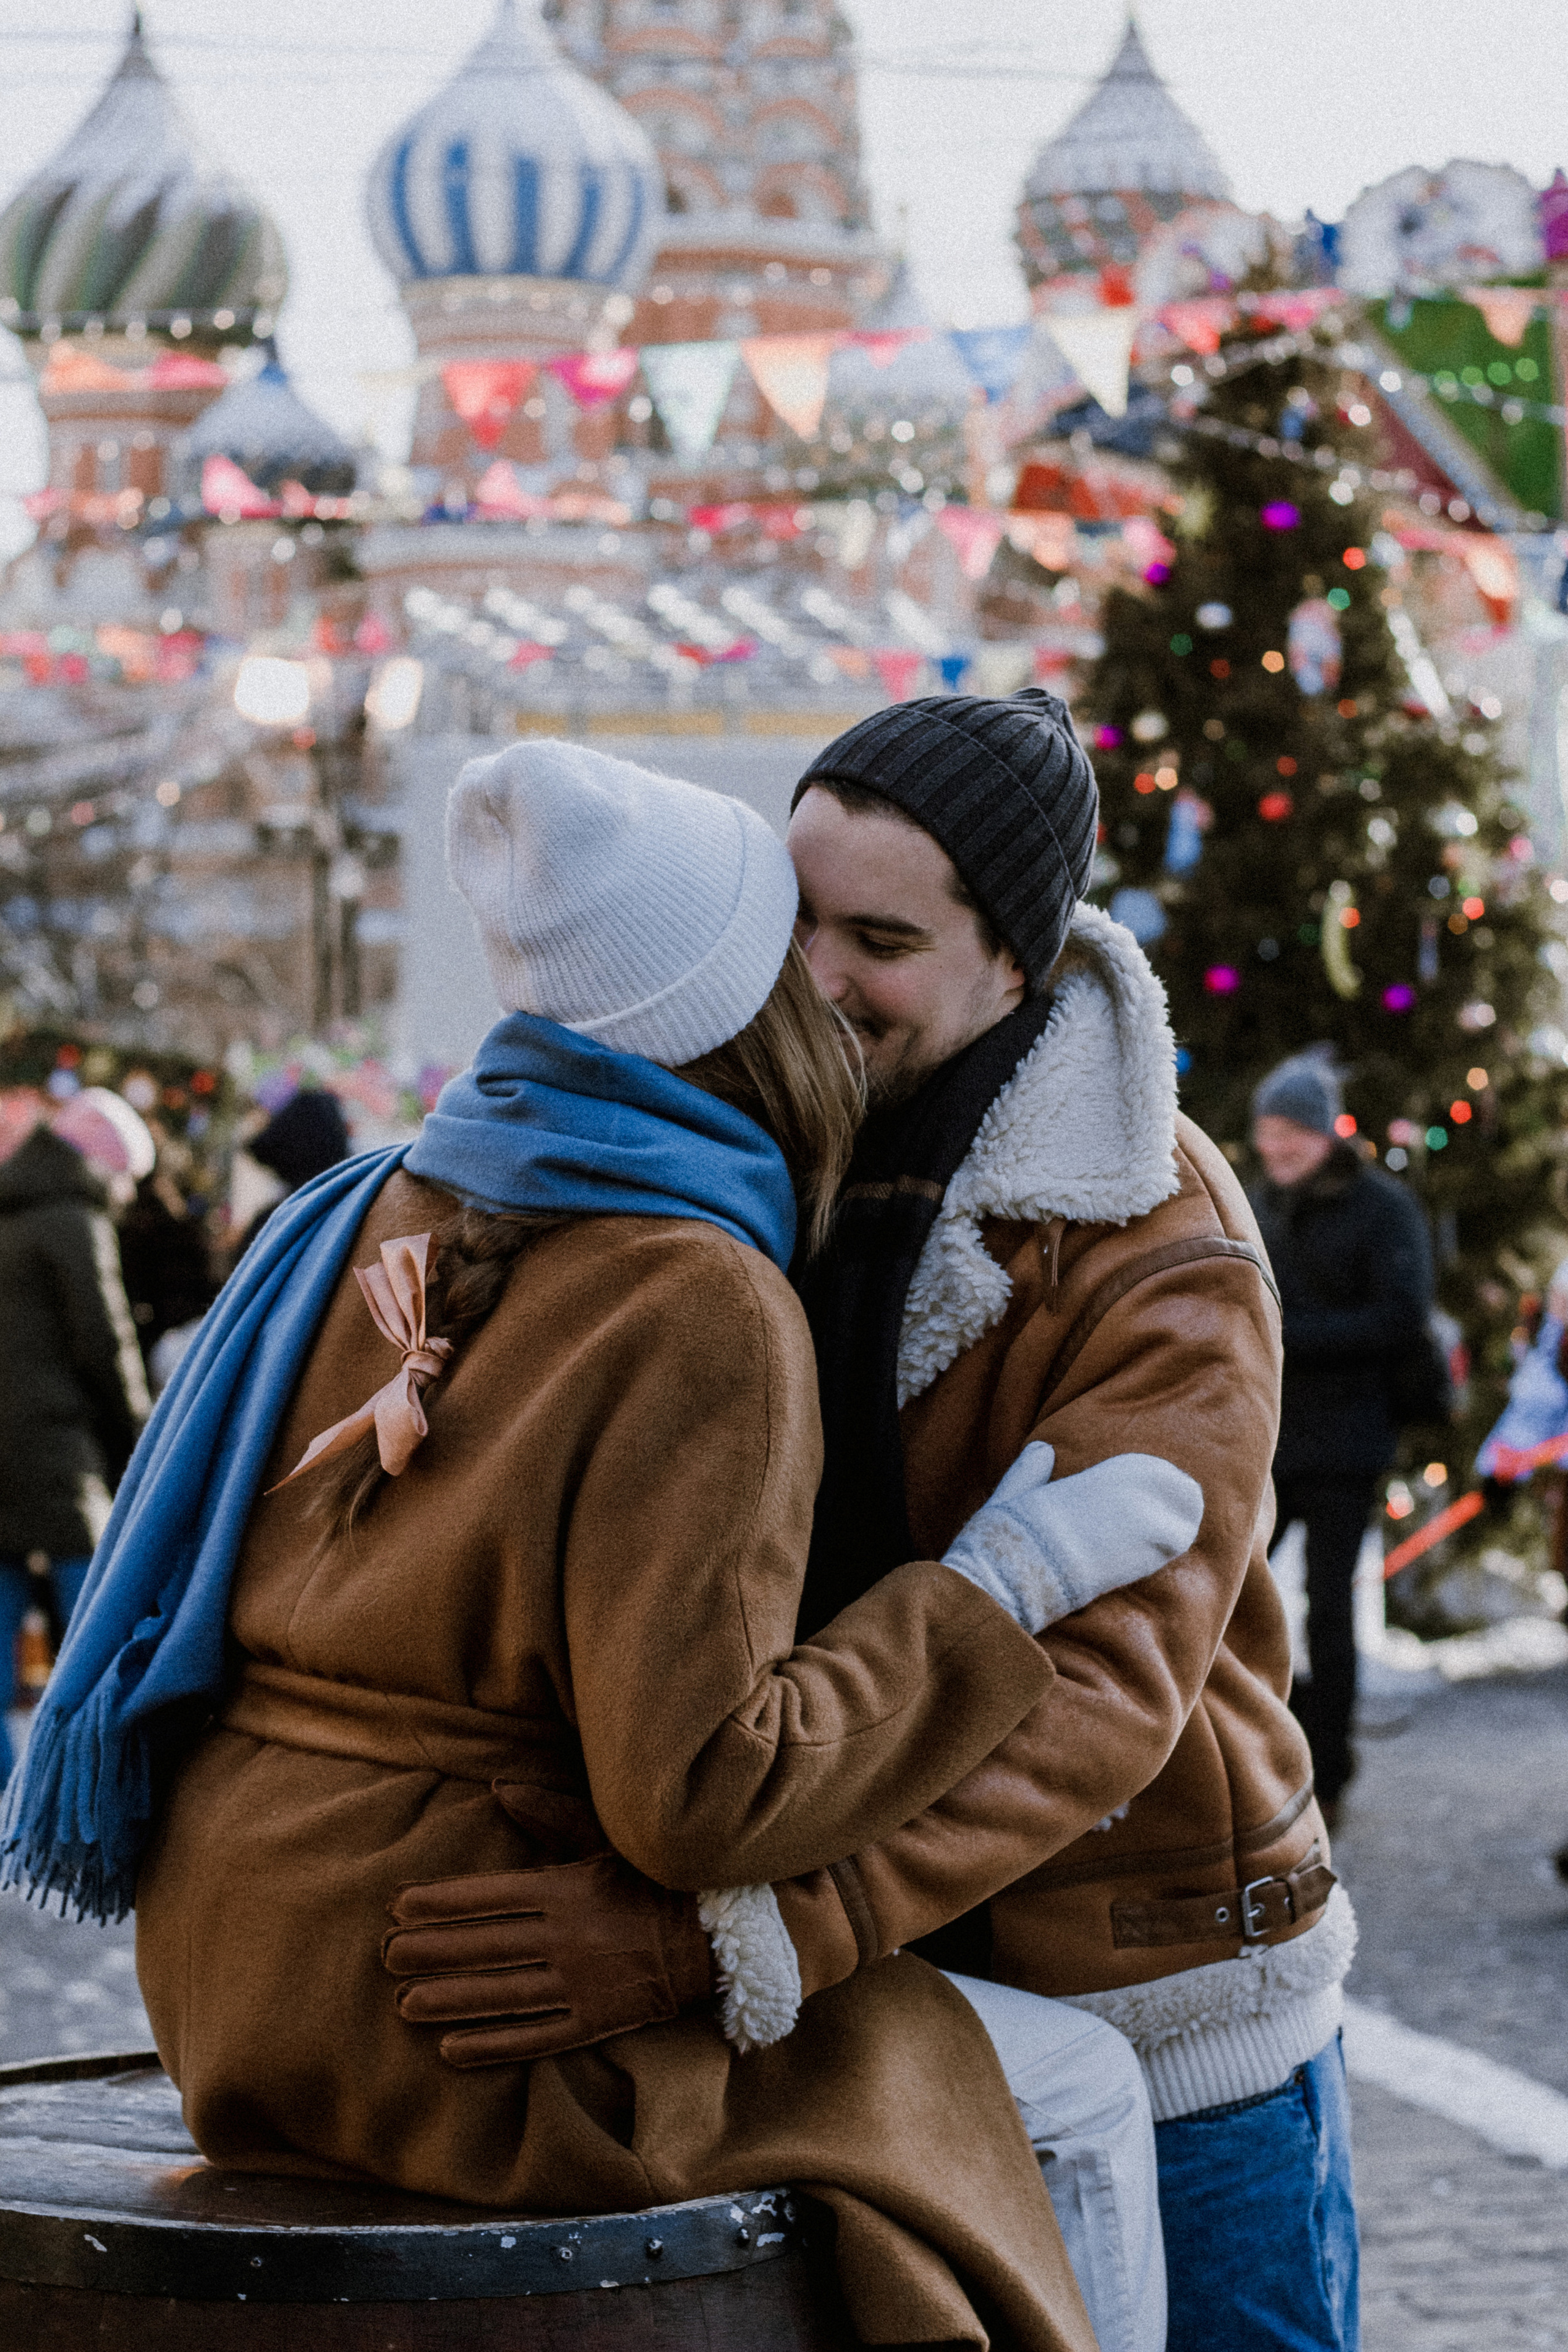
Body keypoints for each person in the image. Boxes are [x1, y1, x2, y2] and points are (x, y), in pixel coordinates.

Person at [1, 741, 1202, 2352]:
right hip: (458, 2016)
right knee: (1070, 2086)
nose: (828, 987)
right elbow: (705, 1793)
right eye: (794, 945)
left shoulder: (391, 1197)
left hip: (229, 1977)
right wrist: (997, 1594)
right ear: (736, 997)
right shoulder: (693, 1296)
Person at [409, 692, 1363, 2352]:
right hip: (868, 2002)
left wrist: (728, 1944)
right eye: (802, 923)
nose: (826, 978)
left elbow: (1101, 1690)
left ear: (1018, 957)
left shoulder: (1155, 1233)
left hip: (1141, 1993)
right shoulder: (753, 1147)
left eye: (885, 938)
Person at [1250, 1050, 1434, 1826]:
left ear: (1326, 1134)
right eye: (1267, 1131)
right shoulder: (1256, 1202)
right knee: (1233, 1591)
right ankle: (1265, 1735)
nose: (1277, 1146)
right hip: (1264, 1439)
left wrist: (1288, 1337)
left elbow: (1400, 1317)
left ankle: (1327, 1772)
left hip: (1346, 1439)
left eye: (1293, 1131)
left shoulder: (1381, 1209)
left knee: (1329, 1608)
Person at [0, 1086, 154, 1784]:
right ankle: (90, 1794)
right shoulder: (74, 1222)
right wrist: (144, 1450)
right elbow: (106, 1345)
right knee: (97, 1645)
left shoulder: (10, 1214)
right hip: (62, 1466)